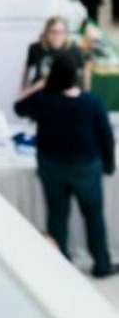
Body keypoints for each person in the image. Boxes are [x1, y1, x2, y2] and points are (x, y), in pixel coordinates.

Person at [14, 52, 116, 278]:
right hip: (86, 169)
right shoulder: (92, 103)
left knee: (57, 216)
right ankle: (101, 263)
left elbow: (18, 106)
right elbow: (106, 137)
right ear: (76, 75)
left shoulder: (44, 100)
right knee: (93, 216)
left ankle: (59, 266)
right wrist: (109, 164)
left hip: (52, 168)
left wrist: (38, 86)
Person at [22, 17, 84, 88]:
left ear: (66, 34)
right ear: (46, 33)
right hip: (40, 91)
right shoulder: (35, 48)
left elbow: (79, 76)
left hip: (64, 93)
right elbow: (27, 74)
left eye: (61, 32)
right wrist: (26, 89)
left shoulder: (74, 50)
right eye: (53, 32)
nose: (57, 36)